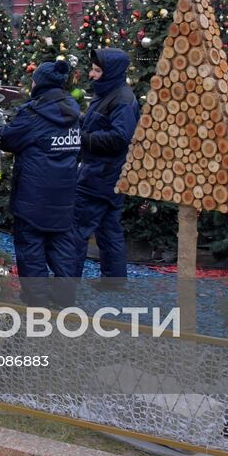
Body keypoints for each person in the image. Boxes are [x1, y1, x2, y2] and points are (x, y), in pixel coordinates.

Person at [0, 59, 81, 304]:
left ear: (40, 84)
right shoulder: (73, 111)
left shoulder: (33, 114)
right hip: (64, 195)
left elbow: (8, 140)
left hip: (33, 197)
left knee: (31, 248)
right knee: (63, 247)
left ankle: (37, 301)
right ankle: (64, 299)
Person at [72, 48, 140, 281]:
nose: (91, 74)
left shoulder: (122, 99)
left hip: (101, 175)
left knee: (78, 229)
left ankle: (67, 283)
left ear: (110, 72)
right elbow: (97, 122)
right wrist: (77, 119)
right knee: (109, 229)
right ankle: (114, 280)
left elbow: (121, 137)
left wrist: (83, 138)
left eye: (97, 70)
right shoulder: (109, 94)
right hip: (107, 173)